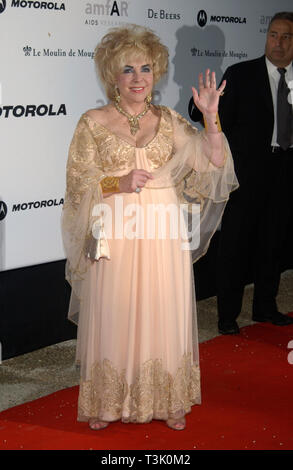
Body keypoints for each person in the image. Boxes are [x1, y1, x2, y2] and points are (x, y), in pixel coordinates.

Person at [62, 24, 237, 431]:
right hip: (116, 229)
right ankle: (109, 401)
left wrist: (211, 118)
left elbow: (212, 162)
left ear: (155, 71)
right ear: (112, 75)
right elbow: (77, 183)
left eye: (145, 67)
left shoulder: (170, 120)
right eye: (127, 69)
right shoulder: (93, 122)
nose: (138, 77)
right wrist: (117, 182)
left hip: (161, 232)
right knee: (116, 310)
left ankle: (167, 400)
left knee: (163, 309)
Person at [189, 12, 293, 335]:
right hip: (245, 175)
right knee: (235, 246)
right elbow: (208, 113)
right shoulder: (241, 74)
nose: (278, 42)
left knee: (273, 243)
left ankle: (265, 307)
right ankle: (227, 316)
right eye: (273, 35)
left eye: (286, 36)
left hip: (286, 172)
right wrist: (201, 106)